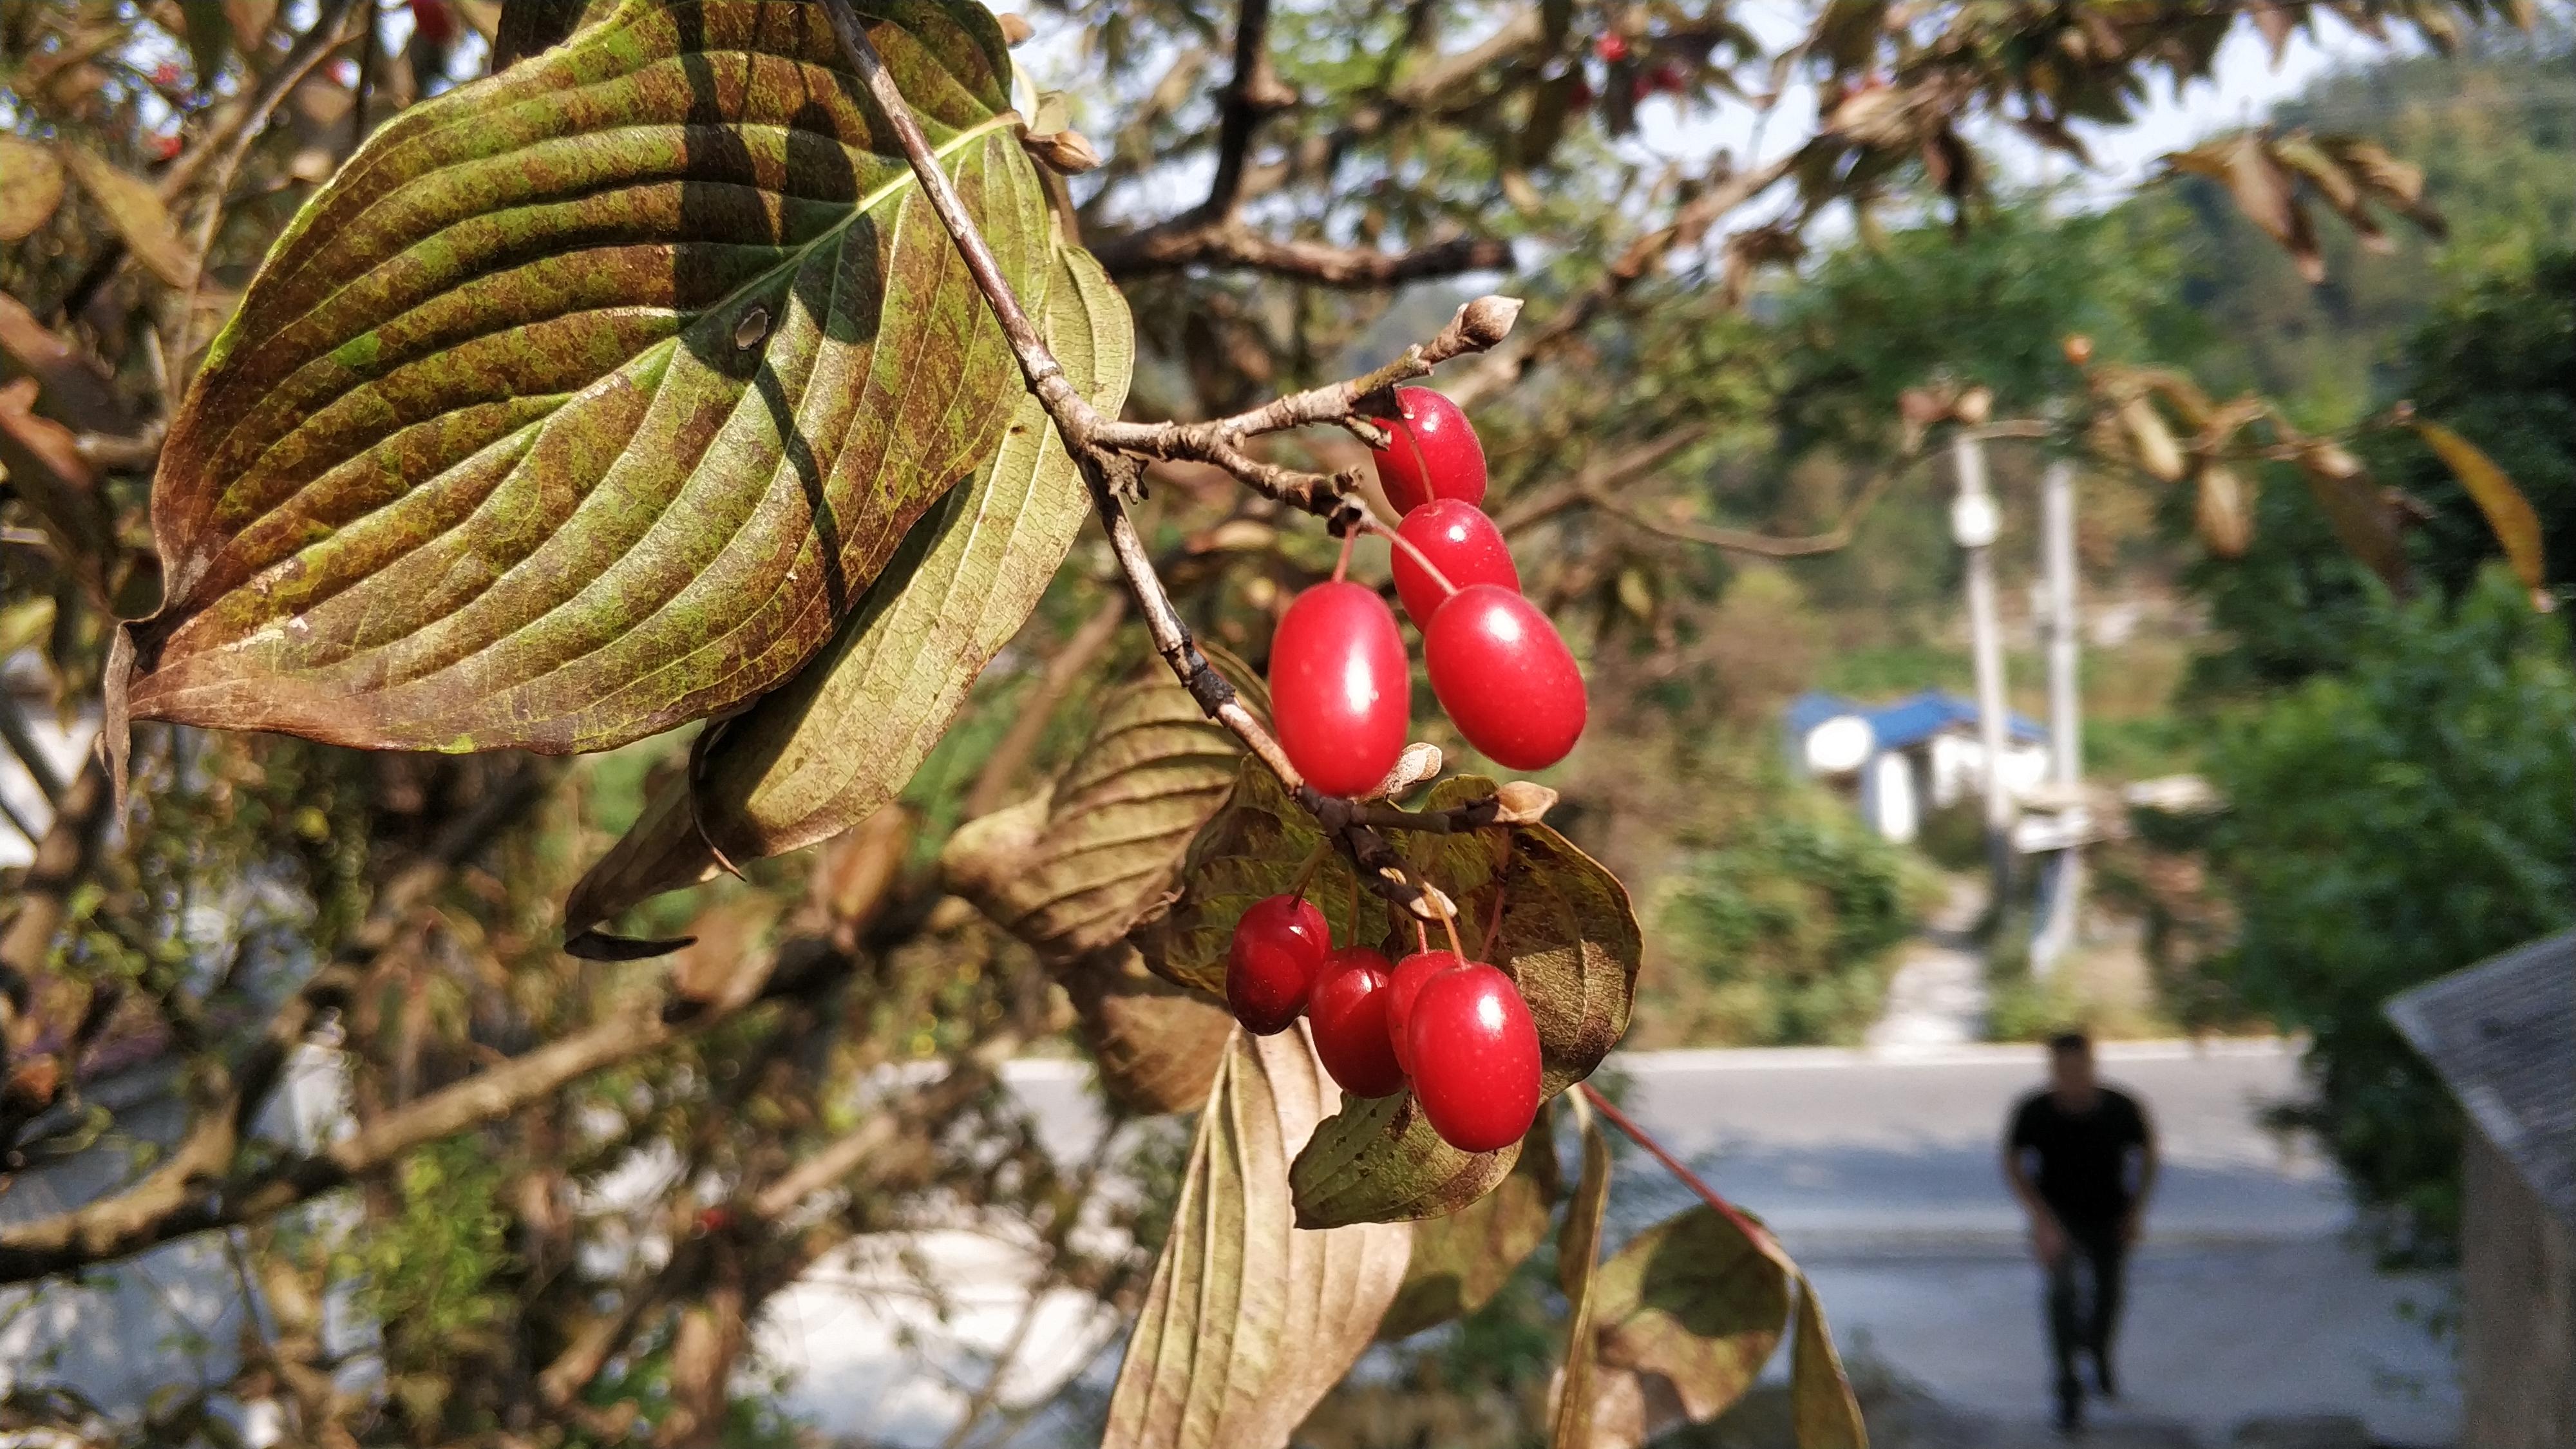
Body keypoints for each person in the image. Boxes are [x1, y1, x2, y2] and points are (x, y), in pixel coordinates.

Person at [2002, 1030, 2157, 1435]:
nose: (2071, 1077)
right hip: (2059, 1218)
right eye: (2062, 1069)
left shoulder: (2120, 1107)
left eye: (2079, 1067)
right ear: (2052, 1069)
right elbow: (2013, 1162)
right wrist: (2040, 1219)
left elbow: (2148, 1154)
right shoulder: (2035, 1111)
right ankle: (2068, 1386)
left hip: (2110, 1214)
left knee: (2108, 1297)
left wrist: (2137, 1210)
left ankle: (2100, 1353)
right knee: (2062, 1296)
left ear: (2092, 1065)